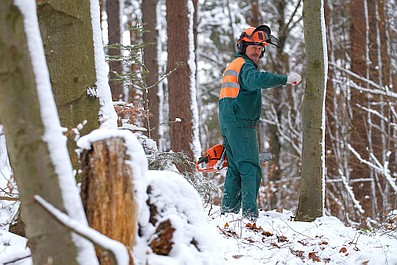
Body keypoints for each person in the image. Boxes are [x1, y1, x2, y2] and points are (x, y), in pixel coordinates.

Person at [218, 25, 301, 222]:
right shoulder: (244, 65)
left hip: (230, 122)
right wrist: (285, 79)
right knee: (251, 168)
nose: (257, 50)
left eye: (260, 47)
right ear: (243, 46)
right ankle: (249, 217)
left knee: (236, 169)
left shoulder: (234, 65)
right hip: (240, 123)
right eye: (252, 46)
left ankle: (228, 214)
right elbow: (256, 79)